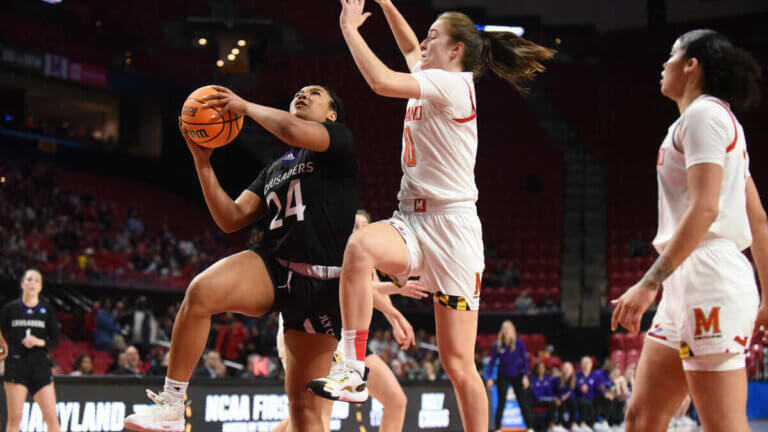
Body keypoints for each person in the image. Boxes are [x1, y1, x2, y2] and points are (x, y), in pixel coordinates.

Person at [309, 2, 554, 431]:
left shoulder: (453, 85)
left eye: (434, 36)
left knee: (457, 363)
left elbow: (381, 81)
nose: (424, 41)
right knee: (360, 246)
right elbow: (408, 46)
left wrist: (349, 28)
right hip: (412, 219)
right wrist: (385, 4)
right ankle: (351, 367)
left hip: (453, 230)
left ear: (456, 48)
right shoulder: (432, 74)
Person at [124, 82, 359, 432]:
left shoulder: (338, 140)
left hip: (323, 286)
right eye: (299, 91)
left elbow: (291, 129)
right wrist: (202, 162)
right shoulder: (277, 166)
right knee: (201, 292)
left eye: (314, 92)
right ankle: (172, 405)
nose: (302, 94)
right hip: (275, 266)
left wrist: (245, 106)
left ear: (331, 113)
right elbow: (230, 217)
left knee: (303, 411)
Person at [610, 29, 768, 432]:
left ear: (691, 64)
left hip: (711, 278)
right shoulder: (711, 120)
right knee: (641, 418)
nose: (664, 65)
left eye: (671, 55)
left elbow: (706, 208)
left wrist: (647, 284)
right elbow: (759, 218)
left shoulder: (705, 116)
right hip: (689, 281)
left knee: (724, 426)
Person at [283, 209, 428, 432]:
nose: (359, 231)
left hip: (347, 339)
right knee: (314, 413)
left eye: (364, 227)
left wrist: (394, 319)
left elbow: (372, 295)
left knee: (396, 401)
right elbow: (359, 287)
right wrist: (398, 289)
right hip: (318, 329)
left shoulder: (367, 257)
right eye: (354, 226)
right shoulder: (336, 251)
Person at [0, 269, 61, 432]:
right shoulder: (10, 309)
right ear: (22, 284)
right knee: (14, 421)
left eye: (36, 280)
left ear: (40, 286)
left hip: (40, 366)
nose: (32, 283)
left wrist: (39, 341)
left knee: (53, 420)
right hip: (16, 366)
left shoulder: (46, 310)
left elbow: (55, 341)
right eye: (29, 279)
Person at [484, 321, 534, 432]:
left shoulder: (519, 344)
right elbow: (492, 363)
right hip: (503, 375)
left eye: (508, 328)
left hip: (517, 375)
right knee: (501, 402)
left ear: (513, 330)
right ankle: (497, 428)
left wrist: (525, 376)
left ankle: (530, 427)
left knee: (523, 402)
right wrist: (490, 378)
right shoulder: (497, 345)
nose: (506, 330)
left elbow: (525, 361)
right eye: (504, 328)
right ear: (501, 331)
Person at [529, 362, 558, 431]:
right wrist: (548, 398)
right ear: (536, 369)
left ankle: (551, 424)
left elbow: (550, 392)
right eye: (539, 368)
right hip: (536, 401)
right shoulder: (533, 379)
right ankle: (550, 425)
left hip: (546, 401)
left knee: (554, 402)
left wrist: (552, 398)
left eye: (543, 368)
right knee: (552, 402)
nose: (541, 369)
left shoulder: (547, 379)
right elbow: (536, 395)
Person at [574, 356, 598, 429]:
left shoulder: (594, 375)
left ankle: (597, 423)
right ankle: (582, 423)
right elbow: (573, 385)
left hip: (592, 398)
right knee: (583, 401)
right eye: (584, 363)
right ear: (581, 364)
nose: (585, 364)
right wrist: (580, 387)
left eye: (587, 362)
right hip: (580, 397)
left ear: (591, 364)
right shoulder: (576, 374)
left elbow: (597, 388)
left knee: (601, 400)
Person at [555, 362, 577, 428]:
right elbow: (552, 391)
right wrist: (557, 398)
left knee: (574, 402)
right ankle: (560, 424)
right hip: (559, 399)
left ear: (572, 370)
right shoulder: (556, 379)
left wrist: (567, 396)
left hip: (569, 400)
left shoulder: (574, 380)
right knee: (561, 404)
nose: (567, 370)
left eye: (569, 368)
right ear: (562, 370)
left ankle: (572, 424)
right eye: (565, 368)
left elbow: (574, 392)